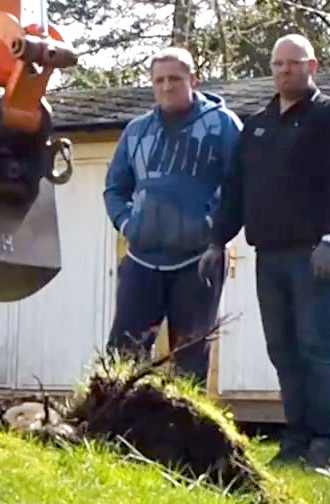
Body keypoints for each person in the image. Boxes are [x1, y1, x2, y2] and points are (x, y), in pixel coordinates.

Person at [204, 33, 330, 474]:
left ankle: (326, 443)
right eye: (277, 64)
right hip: (269, 254)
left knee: (317, 345)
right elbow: (235, 190)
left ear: (312, 67)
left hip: (315, 253)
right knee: (283, 349)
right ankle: (295, 438)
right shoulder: (257, 126)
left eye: (292, 64)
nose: (283, 71)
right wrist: (217, 241)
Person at [102, 46, 243, 386]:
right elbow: (115, 188)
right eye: (159, 80)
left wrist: (217, 234)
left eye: (175, 79)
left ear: (193, 80)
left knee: (191, 352)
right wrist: (127, 223)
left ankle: (182, 431)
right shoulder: (136, 132)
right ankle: (115, 422)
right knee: (124, 350)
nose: (166, 86)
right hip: (142, 258)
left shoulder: (223, 125)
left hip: (198, 259)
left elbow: (241, 187)